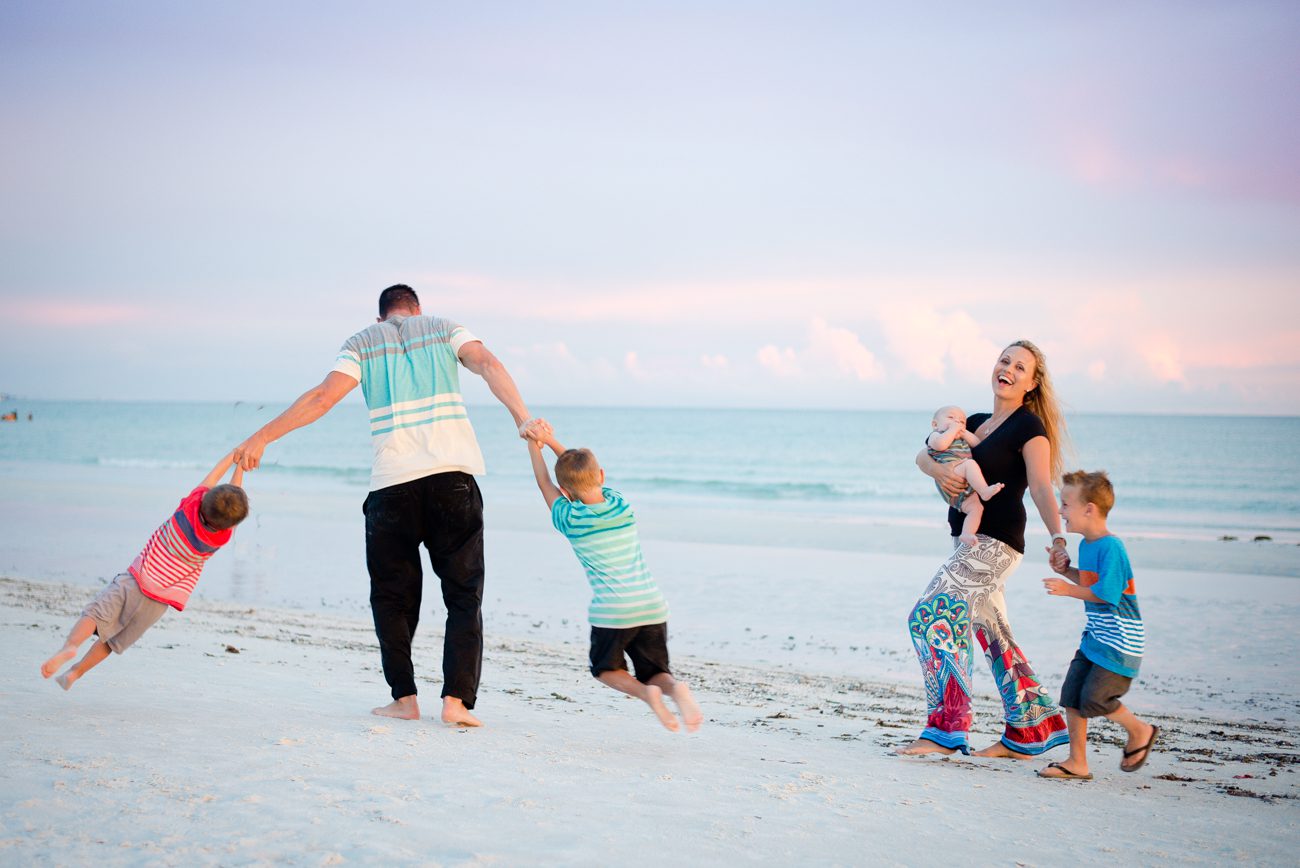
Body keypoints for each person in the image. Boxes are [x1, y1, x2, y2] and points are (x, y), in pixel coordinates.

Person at [232, 284, 536, 727]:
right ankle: (456, 702)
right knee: (463, 596)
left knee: (392, 598)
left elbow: (322, 398)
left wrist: (261, 436)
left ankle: (405, 699)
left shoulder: (361, 342)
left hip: (393, 486)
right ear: (417, 310)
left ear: (381, 318)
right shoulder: (445, 328)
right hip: (454, 479)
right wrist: (522, 417)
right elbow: (488, 364)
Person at [897, 340, 1071, 758]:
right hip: (970, 539)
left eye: (1019, 366)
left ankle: (947, 728)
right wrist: (937, 467)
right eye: (1004, 360)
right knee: (994, 636)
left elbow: (1043, 487)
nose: (1007, 368)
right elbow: (923, 454)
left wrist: (1059, 537)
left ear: (1031, 384)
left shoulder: (1030, 428)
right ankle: (1031, 728)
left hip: (997, 543)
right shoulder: (973, 421)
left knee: (933, 614)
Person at [522, 420, 703, 732]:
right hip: (651, 604)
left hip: (613, 611)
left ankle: (646, 694)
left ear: (565, 492)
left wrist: (532, 444)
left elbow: (545, 484)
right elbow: (581, 471)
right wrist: (550, 440)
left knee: (605, 670)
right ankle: (675, 690)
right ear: (602, 476)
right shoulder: (621, 505)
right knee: (656, 671)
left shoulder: (570, 519)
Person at [40, 452, 249, 689]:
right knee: (112, 643)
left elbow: (214, 479)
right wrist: (241, 472)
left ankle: (70, 646)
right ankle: (75, 673)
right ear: (230, 525)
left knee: (95, 615)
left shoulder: (189, 507)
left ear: (203, 500)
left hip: (137, 580)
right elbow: (234, 496)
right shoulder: (219, 539)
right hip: (159, 602)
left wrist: (236, 456)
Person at [1038, 470, 1156, 780]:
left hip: (1120, 643)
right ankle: (1077, 762)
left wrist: (1068, 590)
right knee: (1072, 695)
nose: (1061, 511)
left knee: (1095, 699)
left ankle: (1140, 731)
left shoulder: (1110, 547)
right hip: (1096, 638)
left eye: (1066, 504)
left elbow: (1107, 594)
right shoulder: (1088, 546)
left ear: (1089, 509)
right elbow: (1091, 582)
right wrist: (1068, 572)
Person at [926, 404, 1005, 547]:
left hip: (964, 490)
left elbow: (978, 444)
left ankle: (967, 533)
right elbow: (940, 445)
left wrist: (964, 433)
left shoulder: (962, 438)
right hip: (951, 476)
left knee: (976, 508)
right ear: (935, 424)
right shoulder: (936, 435)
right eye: (951, 418)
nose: (957, 422)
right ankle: (984, 491)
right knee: (970, 464)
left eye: (962, 421)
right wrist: (953, 430)